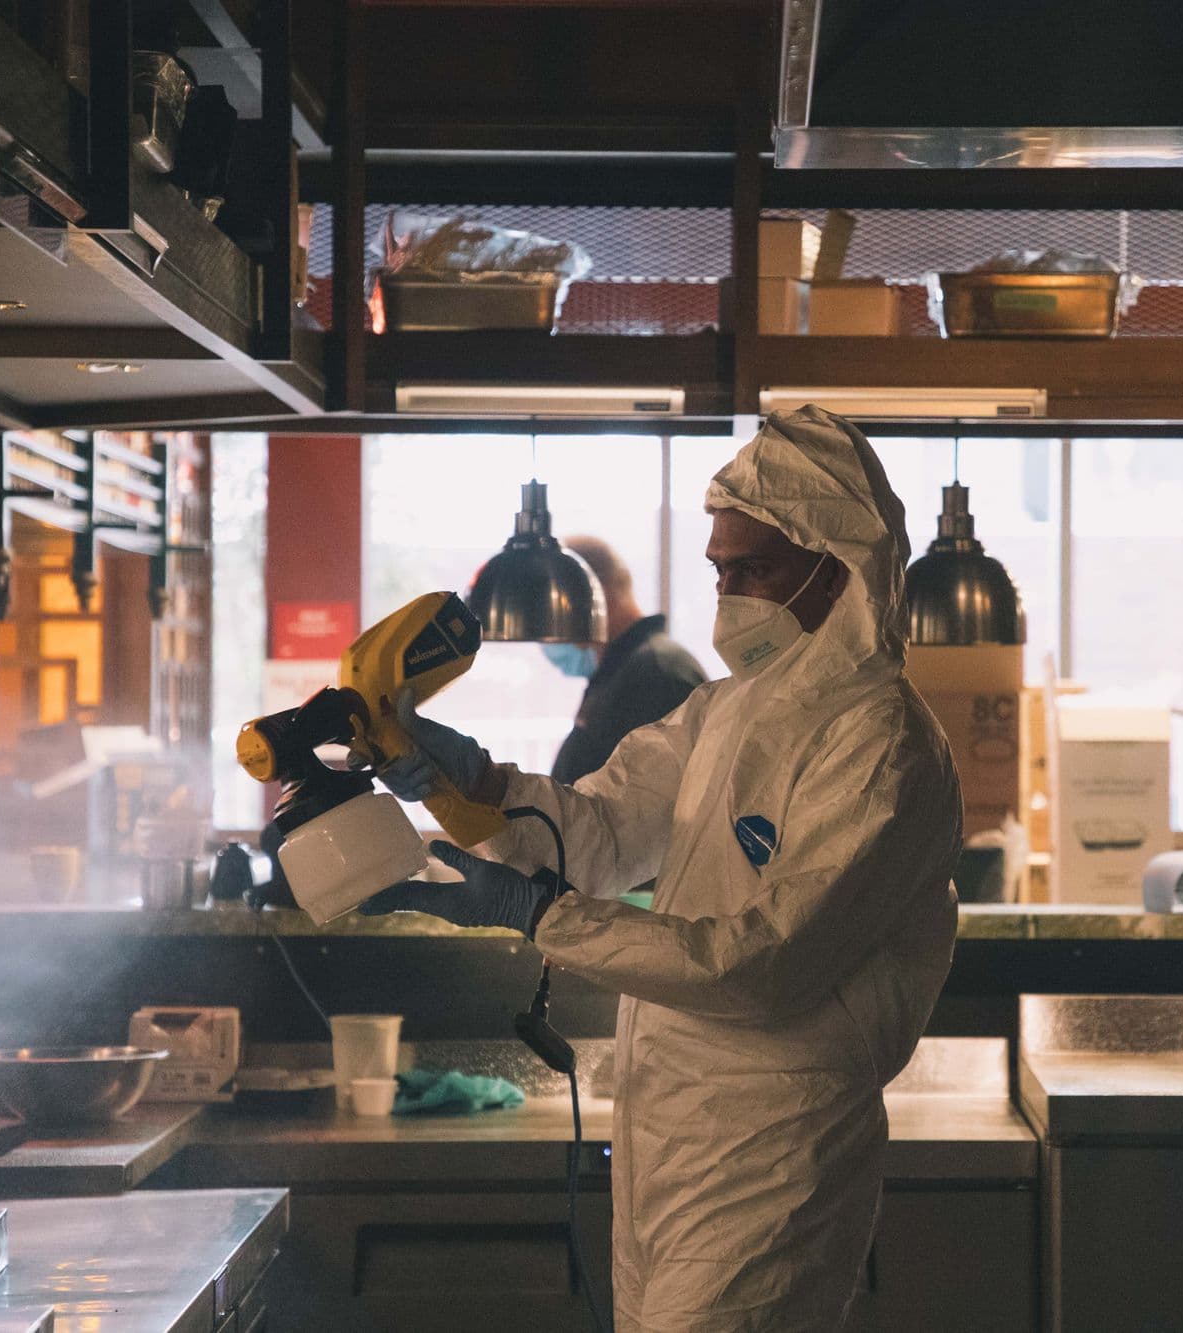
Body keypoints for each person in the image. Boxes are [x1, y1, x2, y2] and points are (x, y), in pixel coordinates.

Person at [364, 406, 963, 1331]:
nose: (728, 596)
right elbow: (599, 830)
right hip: (666, 1137)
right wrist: (466, 779)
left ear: (836, 563)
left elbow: (766, 960)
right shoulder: (725, 713)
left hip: (774, 1154)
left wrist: (543, 919)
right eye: (720, 571)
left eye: (751, 569)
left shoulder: (880, 745)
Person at [544, 535, 705, 785]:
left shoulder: (655, 676)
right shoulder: (623, 670)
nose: (549, 621)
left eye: (556, 602)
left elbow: (651, 806)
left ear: (597, 593)